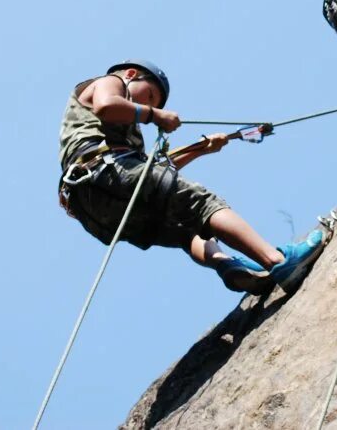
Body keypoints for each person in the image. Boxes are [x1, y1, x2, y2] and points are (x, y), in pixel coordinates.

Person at [57, 59, 323, 295]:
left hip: (96, 206)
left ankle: (227, 265)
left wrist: (201, 149)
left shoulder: (124, 131)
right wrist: (154, 114)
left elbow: (155, 173)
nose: (146, 104)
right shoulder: (110, 82)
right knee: (203, 204)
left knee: (187, 230)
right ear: (130, 74)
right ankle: (277, 261)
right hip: (106, 172)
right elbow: (106, 105)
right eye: (149, 94)